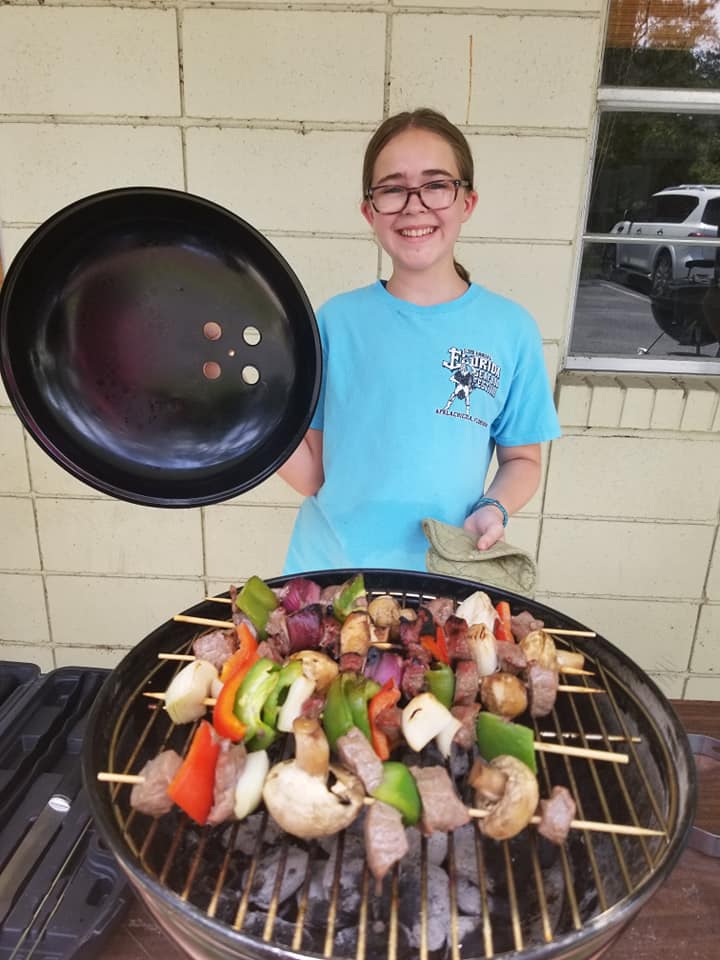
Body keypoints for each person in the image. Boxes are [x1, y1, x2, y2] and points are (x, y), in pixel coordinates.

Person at [279, 107, 560, 573]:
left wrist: (494, 507)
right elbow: (312, 475)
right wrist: (249, 418)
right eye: (393, 189)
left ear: (466, 201)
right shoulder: (333, 322)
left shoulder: (511, 329)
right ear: (369, 211)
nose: (415, 205)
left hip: (441, 576)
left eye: (436, 185)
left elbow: (522, 459)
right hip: (329, 571)